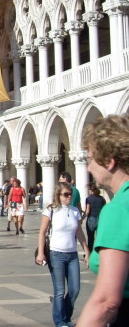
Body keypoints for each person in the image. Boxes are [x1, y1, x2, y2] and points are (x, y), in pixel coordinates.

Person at [77, 114, 129, 326]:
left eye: (90, 159)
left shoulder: (119, 209)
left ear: (109, 161)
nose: (88, 168)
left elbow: (106, 302)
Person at [36, 182, 89, 327]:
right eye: (66, 194)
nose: (69, 197)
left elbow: (79, 232)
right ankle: (60, 321)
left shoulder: (74, 211)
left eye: (70, 194)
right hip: (55, 254)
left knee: (75, 289)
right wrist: (41, 253)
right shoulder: (50, 211)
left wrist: (87, 251)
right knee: (59, 291)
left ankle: (65, 316)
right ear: (58, 195)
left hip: (72, 255)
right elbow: (42, 232)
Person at [84, 184, 106, 252]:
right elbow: (104, 209)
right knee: (99, 238)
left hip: (91, 219)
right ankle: (98, 253)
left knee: (90, 239)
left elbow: (87, 211)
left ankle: (89, 253)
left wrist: (82, 218)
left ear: (91, 190)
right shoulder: (102, 199)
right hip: (100, 219)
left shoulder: (89, 199)